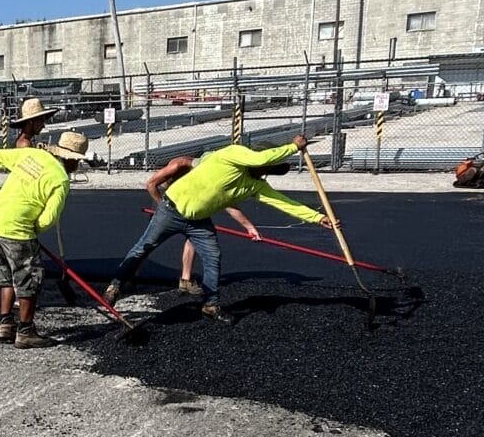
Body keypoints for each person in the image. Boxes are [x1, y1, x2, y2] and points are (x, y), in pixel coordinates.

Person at [105, 134, 329, 324]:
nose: (264, 174)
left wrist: (318, 217)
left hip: (199, 221)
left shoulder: (256, 184)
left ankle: (211, 304)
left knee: (213, 256)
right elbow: (153, 183)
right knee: (144, 247)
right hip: (171, 209)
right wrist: (293, 147)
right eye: (265, 169)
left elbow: (283, 202)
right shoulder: (232, 154)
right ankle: (115, 286)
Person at [0, 129, 90, 347]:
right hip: (18, 230)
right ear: (70, 159)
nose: (77, 166)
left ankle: (5, 325)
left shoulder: (32, 155)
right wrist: (30, 231)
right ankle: (26, 331)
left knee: (6, 274)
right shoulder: (60, 180)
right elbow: (49, 218)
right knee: (28, 278)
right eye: (76, 162)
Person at [146, 154, 260, 293]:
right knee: (151, 241)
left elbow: (229, 205)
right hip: (166, 200)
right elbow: (151, 185)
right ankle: (131, 275)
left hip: (189, 204)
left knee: (193, 237)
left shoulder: (208, 176)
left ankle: (185, 280)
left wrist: (249, 227)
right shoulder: (177, 166)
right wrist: (163, 209)